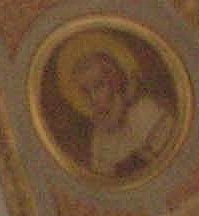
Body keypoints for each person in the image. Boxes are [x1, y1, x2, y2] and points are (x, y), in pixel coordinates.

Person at [56, 35, 176, 181]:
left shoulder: (146, 110)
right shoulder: (100, 135)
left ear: (115, 80)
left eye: (98, 86)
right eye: (86, 92)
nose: (93, 98)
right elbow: (103, 177)